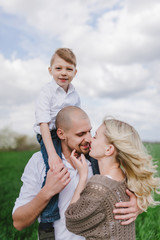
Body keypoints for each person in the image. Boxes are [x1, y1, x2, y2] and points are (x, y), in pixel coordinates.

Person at [13, 107, 141, 240]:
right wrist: (48, 191)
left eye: (90, 132)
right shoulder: (40, 162)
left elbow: (134, 182)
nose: (89, 139)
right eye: (81, 134)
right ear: (61, 134)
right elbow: (18, 223)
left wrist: (137, 206)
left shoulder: (99, 159)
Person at [65, 117, 160, 240]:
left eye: (95, 136)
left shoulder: (99, 185)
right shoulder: (124, 179)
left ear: (109, 149)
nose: (89, 139)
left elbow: (71, 222)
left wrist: (83, 176)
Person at [33, 48, 80, 230]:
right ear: (50, 70)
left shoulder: (74, 93)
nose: (63, 73)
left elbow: (77, 118)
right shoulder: (46, 92)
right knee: (54, 170)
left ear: (75, 72)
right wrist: (53, 155)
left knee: (90, 156)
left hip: (67, 132)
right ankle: (47, 220)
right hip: (49, 133)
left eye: (69, 69)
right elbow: (43, 123)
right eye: (58, 68)